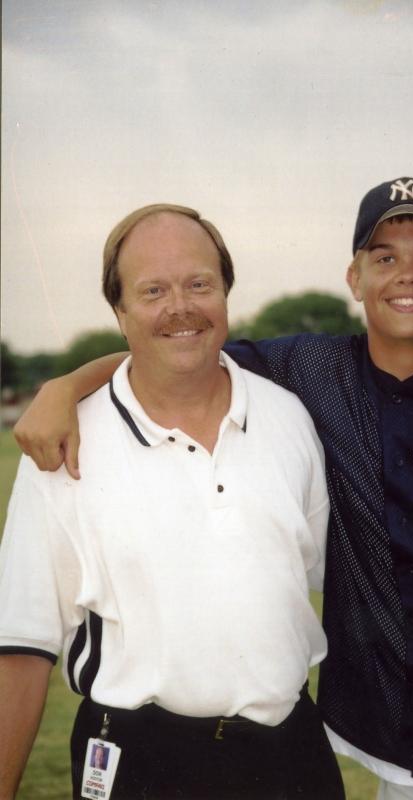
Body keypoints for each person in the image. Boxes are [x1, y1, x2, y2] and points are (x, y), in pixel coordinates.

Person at [11, 178, 413, 799]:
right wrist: (64, 386)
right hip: (386, 758)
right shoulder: (312, 373)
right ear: (354, 278)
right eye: (384, 257)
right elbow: (175, 349)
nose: (407, 276)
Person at [0, 204, 345, 800]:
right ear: (120, 311)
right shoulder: (64, 446)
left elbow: (320, 575)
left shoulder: (288, 417)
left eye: (199, 284)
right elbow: (21, 646)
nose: (180, 307)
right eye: (153, 289)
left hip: (289, 755)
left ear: (226, 296)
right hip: (138, 760)